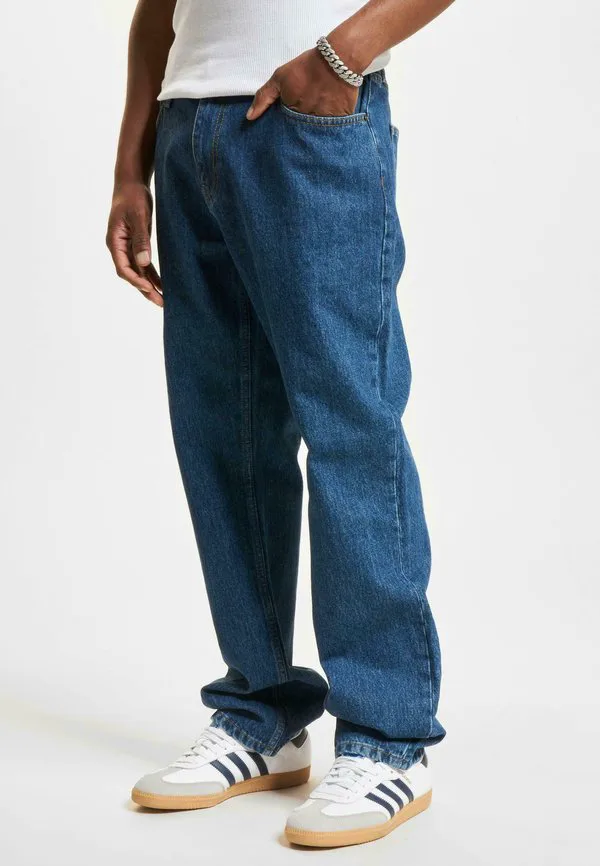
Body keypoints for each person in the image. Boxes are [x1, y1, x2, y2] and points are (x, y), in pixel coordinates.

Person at [107, 0, 453, 848]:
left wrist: (339, 58)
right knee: (222, 434)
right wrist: (131, 164)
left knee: (350, 427)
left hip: (311, 118)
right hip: (188, 130)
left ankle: (388, 737)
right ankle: (261, 709)